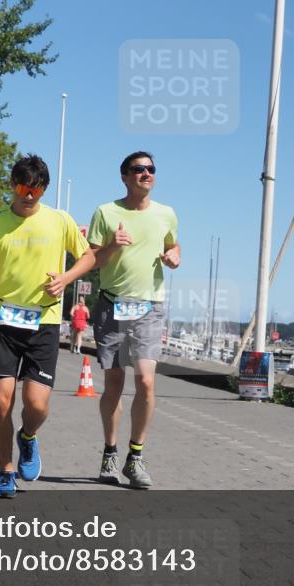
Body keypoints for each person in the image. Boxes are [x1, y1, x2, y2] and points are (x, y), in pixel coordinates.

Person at [0, 155, 94, 498]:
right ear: (12, 185)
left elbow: (89, 256)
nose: (28, 195)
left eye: (35, 189)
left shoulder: (60, 221)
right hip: (3, 321)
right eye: (22, 187)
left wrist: (65, 279)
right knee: (1, 402)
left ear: (43, 189)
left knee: (36, 405)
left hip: (43, 322)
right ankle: (5, 471)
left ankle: (28, 437)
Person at [88, 151, 180, 489]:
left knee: (145, 381)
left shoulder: (166, 214)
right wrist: (113, 245)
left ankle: (135, 456)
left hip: (149, 307)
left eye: (151, 169)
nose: (146, 174)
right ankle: (110, 451)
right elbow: (93, 260)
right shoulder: (106, 212)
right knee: (114, 384)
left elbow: (175, 247)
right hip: (111, 306)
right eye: (138, 169)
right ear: (125, 176)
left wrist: (174, 256)